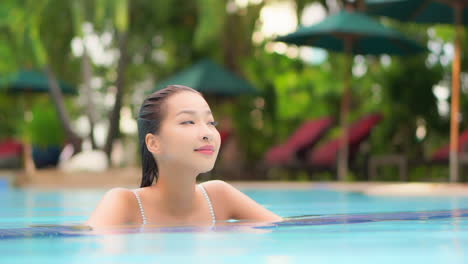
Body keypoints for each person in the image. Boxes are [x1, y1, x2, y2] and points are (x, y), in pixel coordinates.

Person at [86, 85, 282, 228]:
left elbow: (285, 231)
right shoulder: (124, 204)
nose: (207, 133)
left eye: (211, 123)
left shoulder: (220, 197)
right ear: (154, 143)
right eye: (188, 122)